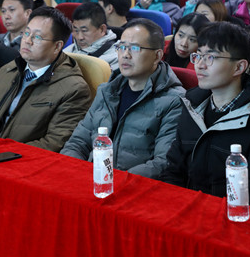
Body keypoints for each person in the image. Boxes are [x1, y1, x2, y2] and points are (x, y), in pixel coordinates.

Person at [159, 22, 250, 211]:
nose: (200, 65)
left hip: (233, 219)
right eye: (199, 55)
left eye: (211, 57)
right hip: (186, 211)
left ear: (239, 67)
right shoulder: (192, 106)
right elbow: (172, 169)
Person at [61, 18, 185, 179]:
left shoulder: (174, 101)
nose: (125, 55)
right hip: (90, 179)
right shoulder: (107, 91)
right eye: (121, 47)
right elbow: (77, 142)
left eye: (135, 48)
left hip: (132, 186)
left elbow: (162, 163)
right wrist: (73, 171)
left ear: (157, 56)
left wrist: (111, 181)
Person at [0, 7, 92, 152]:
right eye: (26, 33)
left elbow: (55, 142)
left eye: (37, 37)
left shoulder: (73, 89)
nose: (27, 41)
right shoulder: (8, 70)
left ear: (57, 46)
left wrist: (3, 153)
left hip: (21, 159)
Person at [64, 2, 119, 71]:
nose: (79, 37)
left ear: (102, 29)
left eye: (84, 31)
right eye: (76, 30)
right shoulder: (66, 53)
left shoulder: (115, 58)